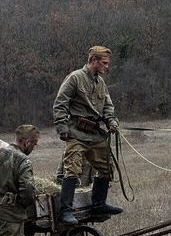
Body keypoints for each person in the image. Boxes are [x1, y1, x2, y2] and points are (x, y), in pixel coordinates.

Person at [53, 45, 123, 225]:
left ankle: (98, 204)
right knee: (72, 169)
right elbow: (60, 103)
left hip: (95, 134)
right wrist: (62, 128)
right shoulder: (75, 78)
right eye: (104, 63)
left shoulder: (101, 83)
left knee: (107, 167)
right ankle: (66, 210)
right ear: (93, 60)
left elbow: (108, 106)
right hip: (76, 133)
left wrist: (111, 121)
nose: (107, 67)